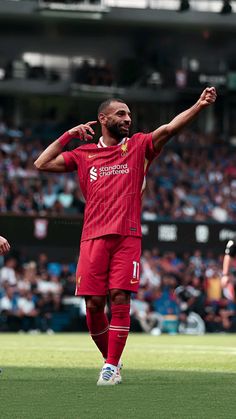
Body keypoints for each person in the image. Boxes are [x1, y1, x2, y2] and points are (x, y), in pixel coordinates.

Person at [34, 86, 217, 385]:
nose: (128, 119)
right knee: (93, 305)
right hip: (92, 236)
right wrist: (68, 136)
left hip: (126, 235)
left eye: (129, 114)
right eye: (121, 114)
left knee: (119, 297)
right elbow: (41, 163)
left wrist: (199, 105)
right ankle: (114, 364)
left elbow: (170, 128)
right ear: (103, 119)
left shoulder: (138, 147)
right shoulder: (84, 154)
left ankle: (109, 366)